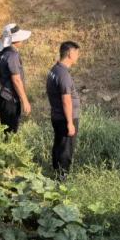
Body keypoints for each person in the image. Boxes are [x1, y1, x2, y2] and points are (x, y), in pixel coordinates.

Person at [46, 41, 81, 179]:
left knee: (59, 145)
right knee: (66, 149)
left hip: (57, 115)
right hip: (65, 117)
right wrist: (70, 123)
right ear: (70, 53)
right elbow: (66, 100)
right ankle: (62, 179)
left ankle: (55, 174)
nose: (78, 56)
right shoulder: (63, 74)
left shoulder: (54, 70)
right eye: (77, 53)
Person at [0, 23, 32, 134]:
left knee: (6, 129)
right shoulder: (12, 55)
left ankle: (4, 149)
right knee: (11, 132)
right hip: (10, 99)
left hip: (2, 97)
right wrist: (25, 101)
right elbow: (16, 80)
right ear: (15, 40)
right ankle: (8, 150)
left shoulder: (2, 52)